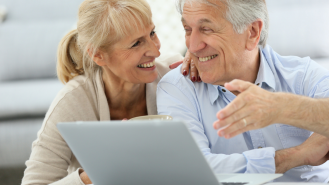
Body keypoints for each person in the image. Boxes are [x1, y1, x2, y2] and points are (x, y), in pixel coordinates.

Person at [21, 0, 196, 184]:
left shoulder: (174, 74)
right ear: (97, 55)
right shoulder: (73, 101)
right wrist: (94, 174)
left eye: (152, 33)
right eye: (136, 43)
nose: (155, 50)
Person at [157, 0, 329, 182]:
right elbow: (192, 169)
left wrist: (283, 107)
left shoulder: (302, 75)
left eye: (207, 29)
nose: (192, 46)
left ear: (252, 32)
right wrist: (296, 155)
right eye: (188, 30)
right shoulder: (177, 87)